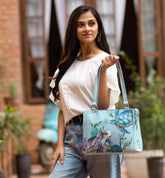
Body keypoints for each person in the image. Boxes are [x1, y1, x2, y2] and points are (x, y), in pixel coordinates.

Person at [49, 5, 123, 178]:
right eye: (80, 24)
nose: (87, 28)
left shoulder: (105, 61)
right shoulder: (65, 66)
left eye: (91, 23)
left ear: (98, 28)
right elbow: (62, 109)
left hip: (102, 132)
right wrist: (59, 144)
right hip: (72, 137)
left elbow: (104, 106)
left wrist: (103, 71)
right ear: (74, 30)